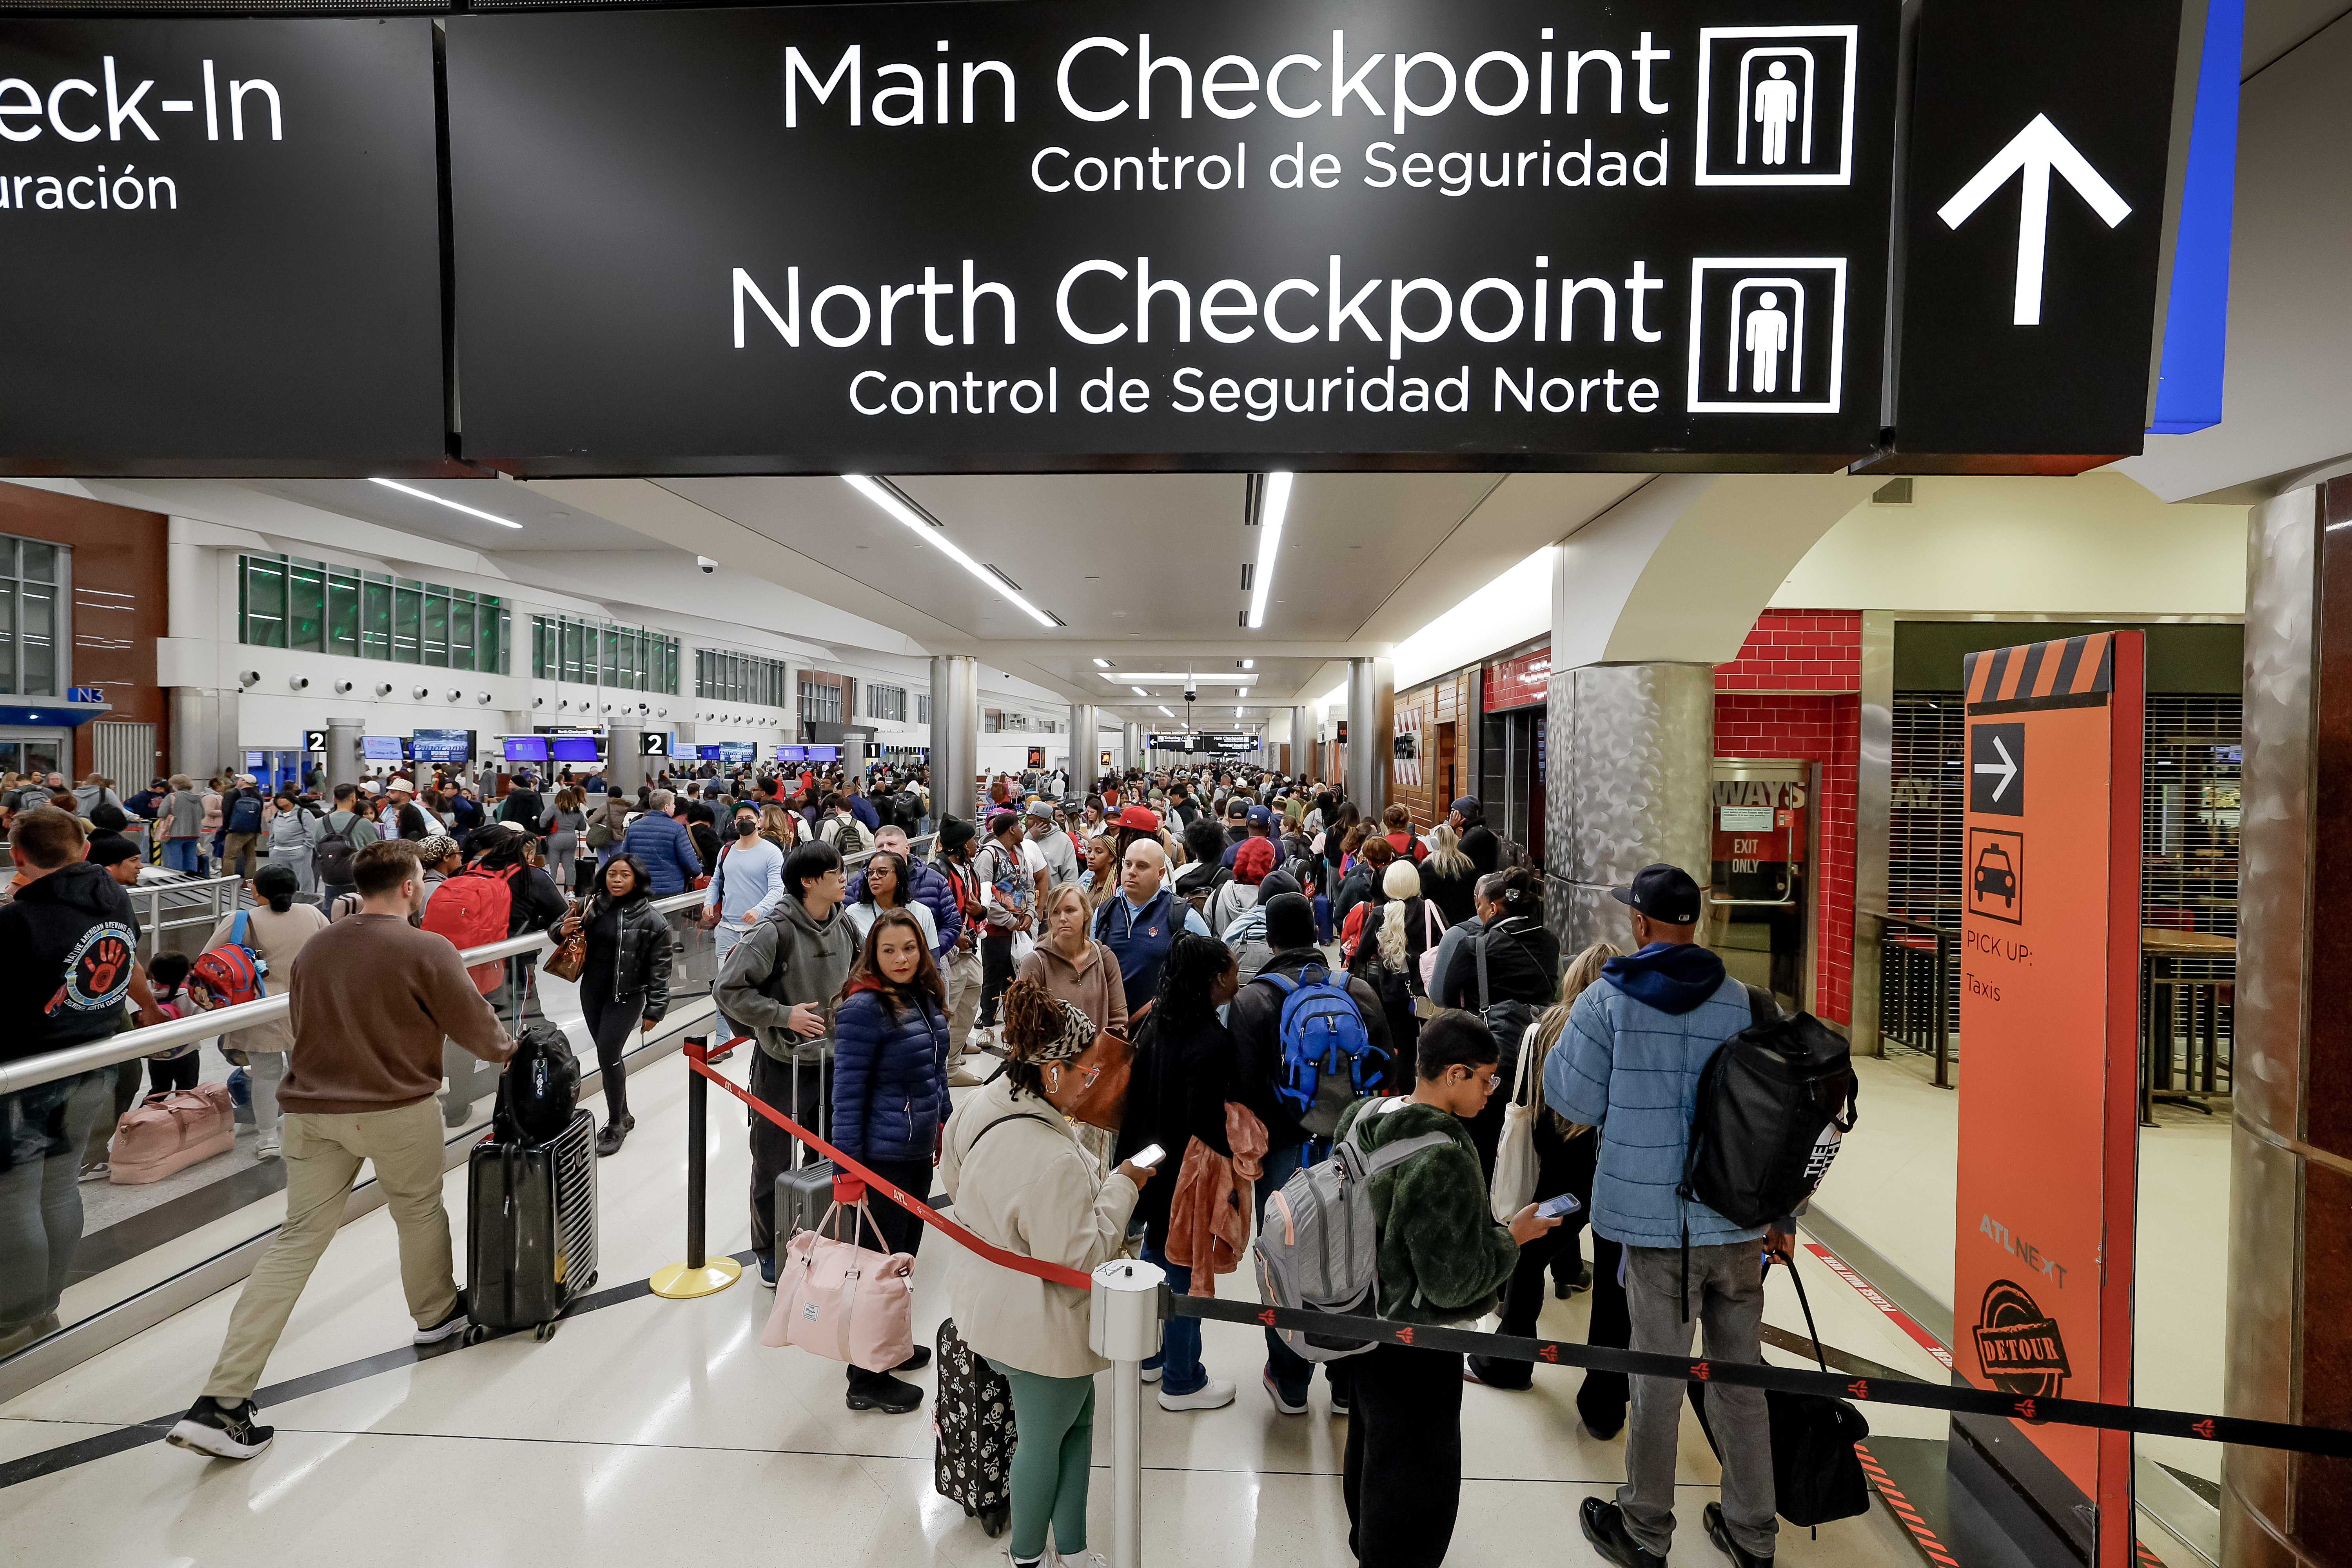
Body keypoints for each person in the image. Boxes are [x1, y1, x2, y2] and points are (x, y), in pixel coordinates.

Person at [167, 839, 515, 1461]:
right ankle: (435, 1314)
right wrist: (512, 1050)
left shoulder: (321, 943)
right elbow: (478, 1031)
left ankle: (220, 1401)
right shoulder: (425, 947)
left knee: (297, 1238)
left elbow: (305, 1021)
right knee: (417, 1210)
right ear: (409, 886)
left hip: (312, 1111)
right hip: (395, 1110)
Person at [1547, 863, 1783, 1568]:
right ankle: (1752, 1533)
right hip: (1737, 1225)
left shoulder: (1607, 1003)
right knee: (1742, 1381)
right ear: (1697, 925)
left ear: (1640, 925)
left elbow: (1573, 1104)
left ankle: (1646, 1529)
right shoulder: (1747, 1002)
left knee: (1657, 1382)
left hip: (1654, 1232)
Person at [936, 976, 1154, 1568]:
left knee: (1075, 1421)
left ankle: (1075, 1547)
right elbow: (1080, 1264)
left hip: (984, 1301)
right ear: (1053, 1071)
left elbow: (954, 1180)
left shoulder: (986, 1099)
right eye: (1085, 1071)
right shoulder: (1052, 1158)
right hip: (1040, 1327)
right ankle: (1029, 1557)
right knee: (1043, 1439)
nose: (1092, 1082)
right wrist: (1123, 1187)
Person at [1338, 1009, 1561, 1568]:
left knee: (1370, 1443)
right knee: (1417, 1470)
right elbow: (1453, 1283)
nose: (1492, 1091)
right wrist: (1513, 1240)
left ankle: (1365, 1540)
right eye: (1487, 1078)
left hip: (1359, 1318)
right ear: (1455, 1074)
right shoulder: (1445, 1157)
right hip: (1419, 1342)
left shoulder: (1363, 1115)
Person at [1225, 891, 1393, 1416]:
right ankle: (1346, 1379)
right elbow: (1389, 1070)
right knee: (1353, 1248)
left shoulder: (1252, 1001)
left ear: (1270, 938)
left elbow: (1245, 1091)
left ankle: (1290, 1378)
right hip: (1351, 1150)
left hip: (1283, 1154)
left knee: (1283, 1256)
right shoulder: (1358, 991)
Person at [0, 807, 143, 1357]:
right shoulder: (114, 898)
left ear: (19, 857)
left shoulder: (18, 921)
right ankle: (46, 1304)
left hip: (28, 1074)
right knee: (59, 1186)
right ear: (82, 851)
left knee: (14, 1196)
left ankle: (14, 1316)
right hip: (95, 1063)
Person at [1466, 940, 1622, 1390]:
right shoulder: (1627, 1034)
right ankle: (1607, 1395)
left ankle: (1510, 1362)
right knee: (1616, 1285)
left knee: (1527, 1255)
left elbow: (1529, 1108)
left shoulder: (1545, 1029)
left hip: (1561, 1176)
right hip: (1613, 1171)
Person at [715, 840, 856, 1286]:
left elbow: (867, 971)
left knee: (830, 1155)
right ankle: (770, 1250)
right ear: (809, 881)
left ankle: (825, 1237)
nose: (844, 879)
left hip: (834, 1063)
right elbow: (728, 990)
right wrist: (784, 1015)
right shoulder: (774, 931)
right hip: (782, 1064)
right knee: (773, 1159)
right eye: (835, 872)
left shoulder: (846, 925)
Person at [828, 906, 949, 1413]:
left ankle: (889, 1348)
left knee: (901, 1262)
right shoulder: (865, 1009)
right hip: (880, 1159)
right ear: (872, 956)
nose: (901, 958)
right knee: (879, 1268)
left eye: (909, 948)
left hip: (916, 1149)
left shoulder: (920, 995)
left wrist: (941, 1120)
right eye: (889, 950)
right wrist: (846, 1175)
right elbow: (847, 1096)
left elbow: (933, 1072)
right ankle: (866, 1378)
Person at [1112, 934, 1241, 1411]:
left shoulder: (1158, 1022)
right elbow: (1204, 1120)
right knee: (1186, 1270)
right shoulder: (1211, 1040)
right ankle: (1183, 1379)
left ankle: (1153, 1355)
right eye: (1230, 970)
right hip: (1185, 1175)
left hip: (1146, 1161)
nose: (1236, 976)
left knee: (1153, 1255)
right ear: (1213, 980)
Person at [198, 863, 332, 1160]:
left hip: (261, 1010)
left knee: (265, 1075)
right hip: (306, 1007)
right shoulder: (312, 914)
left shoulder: (242, 920)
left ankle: (268, 1138)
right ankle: (314, 1129)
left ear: (256, 891)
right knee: (307, 1072)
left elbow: (208, 962)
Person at [560, 853, 673, 1156]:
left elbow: (660, 970)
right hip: (592, 992)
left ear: (637, 879)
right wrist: (562, 930)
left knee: (608, 1054)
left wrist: (655, 1009)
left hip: (627, 996)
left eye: (625, 875)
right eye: (613, 874)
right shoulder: (591, 906)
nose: (618, 880)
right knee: (607, 1055)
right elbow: (556, 928)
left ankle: (614, 1124)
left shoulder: (653, 921)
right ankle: (624, 1114)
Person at [1091, 838, 1210, 1007]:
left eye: (1142, 866)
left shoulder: (1183, 916)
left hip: (1165, 1028)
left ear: (1160, 874)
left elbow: (1212, 973)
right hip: (1113, 1028)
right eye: (1128, 864)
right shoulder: (1104, 912)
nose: (1132, 872)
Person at [702, 807, 788, 1037]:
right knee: (723, 988)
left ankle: (763, 1036)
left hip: (758, 932)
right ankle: (723, 1041)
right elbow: (716, 880)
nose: (744, 822)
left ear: (759, 821)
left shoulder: (771, 852)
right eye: (739, 818)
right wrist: (709, 902)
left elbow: (777, 889)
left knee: (761, 988)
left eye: (749, 818)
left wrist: (758, 910)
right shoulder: (726, 850)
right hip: (727, 929)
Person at [1016, 882, 1129, 1040]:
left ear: (1086, 914)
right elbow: (1024, 1024)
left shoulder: (1104, 958)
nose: (1063, 918)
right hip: (1051, 1061)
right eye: (1056, 912)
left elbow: (1119, 1019)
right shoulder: (1036, 962)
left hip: (1097, 1061)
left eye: (1070, 910)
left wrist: (1104, 1058)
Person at [848, 825, 960, 964]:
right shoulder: (858, 884)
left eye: (892, 844)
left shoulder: (934, 880)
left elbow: (952, 924)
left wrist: (920, 954)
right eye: (880, 846)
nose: (886, 849)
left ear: (907, 848)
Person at [971, 808, 1035, 1045]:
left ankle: (1013, 1024)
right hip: (998, 930)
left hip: (1022, 926)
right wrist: (1010, 922)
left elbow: (1028, 885)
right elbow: (983, 897)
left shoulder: (1019, 852)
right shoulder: (988, 856)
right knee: (993, 977)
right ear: (1011, 829)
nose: (1023, 830)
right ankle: (987, 1024)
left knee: (1017, 977)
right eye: (1020, 826)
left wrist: (1029, 913)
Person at [934, 817, 987, 1065]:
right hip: (949, 954)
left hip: (970, 951)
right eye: (972, 840)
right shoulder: (938, 872)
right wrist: (954, 938)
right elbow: (930, 916)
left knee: (968, 1006)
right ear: (961, 846)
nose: (976, 844)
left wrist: (982, 913)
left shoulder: (970, 871)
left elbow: (975, 907)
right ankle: (944, 1067)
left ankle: (954, 1060)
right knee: (949, 1010)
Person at [843, 848, 940, 953]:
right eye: (871, 873)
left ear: (899, 877)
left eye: (882, 872)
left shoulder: (922, 912)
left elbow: (933, 959)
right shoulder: (853, 913)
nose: (874, 877)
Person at [619, 787, 701, 896]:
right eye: (673, 804)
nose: (675, 806)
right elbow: (687, 858)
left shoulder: (634, 827)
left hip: (640, 886)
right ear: (666, 807)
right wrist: (697, 872)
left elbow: (625, 856)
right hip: (669, 887)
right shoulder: (677, 829)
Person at [1418, 822, 1480, 928]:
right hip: (1464, 924)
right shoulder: (1467, 865)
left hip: (1436, 924)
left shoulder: (1426, 867)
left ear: (1435, 843)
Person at [1025, 799, 1081, 889]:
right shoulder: (1025, 836)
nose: (1026, 821)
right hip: (1028, 900)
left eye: (1030, 818)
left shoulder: (1063, 840)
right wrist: (1030, 836)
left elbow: (1071, 879)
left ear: (1043, 821)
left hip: (1053, 900)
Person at [157, 774, 206, 875]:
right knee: (191, 859)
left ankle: (175, 883)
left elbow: (161, 813)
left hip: (174, 834)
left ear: (175, 785)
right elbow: (203, 815)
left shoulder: (172, 797)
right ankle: (191, 882)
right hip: (193, 833)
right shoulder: (197, 799)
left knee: (174, 861)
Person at [541, 786, 587, 890]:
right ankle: (570, 890)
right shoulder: (577, 811)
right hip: (571, 839)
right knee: (570, 866)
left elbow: (542, 821)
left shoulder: (554, 808)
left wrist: (550, 827)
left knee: (553, 865)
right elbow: (582, 827)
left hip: (555, 838)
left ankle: (552, 888)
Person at [1448, 797, 1500, 876]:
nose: (1450, 817)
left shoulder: (1476, 834)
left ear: (1463, 815)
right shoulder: (1477, 830)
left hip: (1477, 883)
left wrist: (1451, 828)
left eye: (1453, 813)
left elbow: (1452, 858)